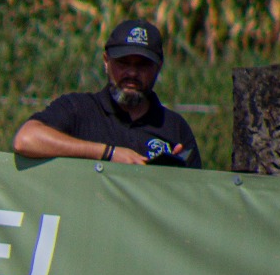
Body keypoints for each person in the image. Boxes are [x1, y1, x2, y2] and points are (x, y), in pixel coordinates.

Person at [14, 20, 203, 169]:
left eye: (142, 65)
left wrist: (177, 176)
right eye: (123, 63)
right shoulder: (78, 109)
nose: (132, 73)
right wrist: (108, 153)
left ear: (158, 67)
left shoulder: (175, 127)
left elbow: (194, 199)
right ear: (106, 61)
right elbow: (26, 140)